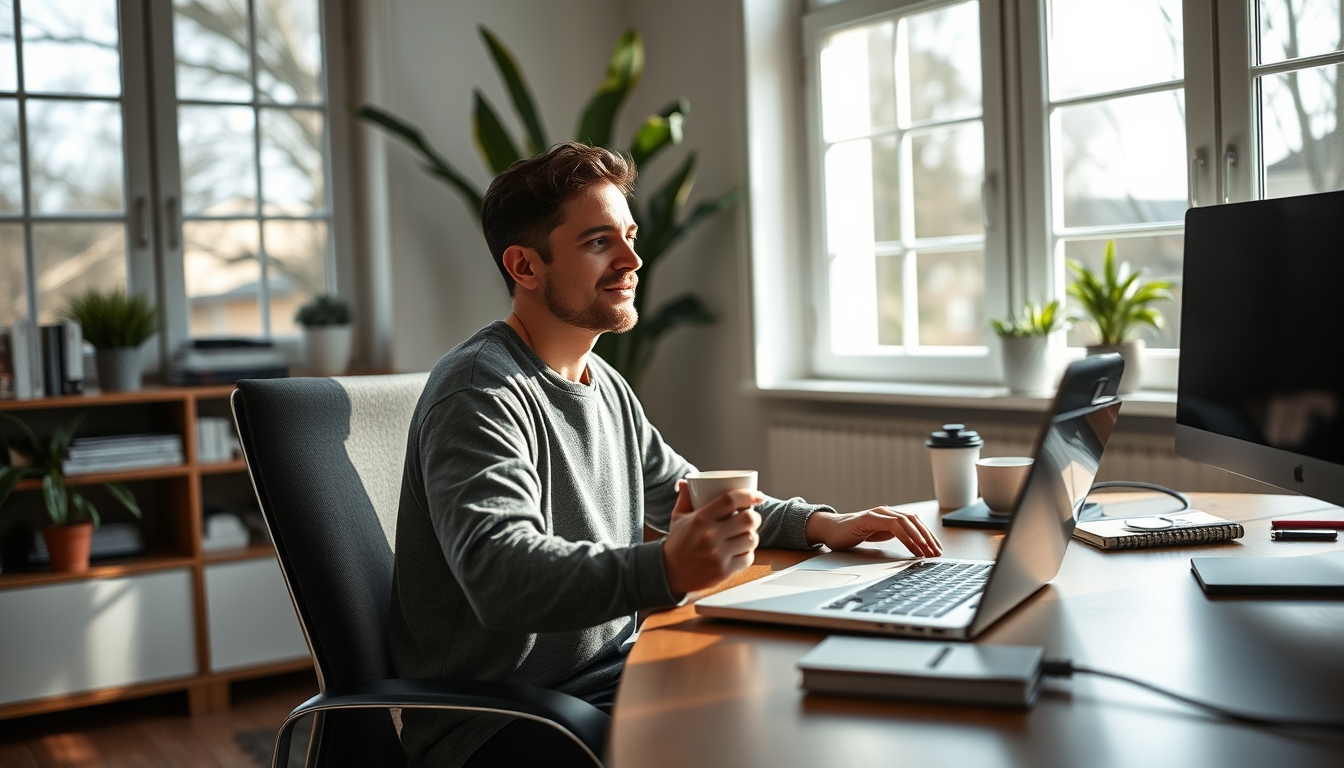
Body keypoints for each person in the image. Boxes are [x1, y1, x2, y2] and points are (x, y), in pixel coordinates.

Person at [389, 142, 942, 767]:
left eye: (628, 236)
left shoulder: (604, 385)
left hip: (611, 681)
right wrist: (667, 569)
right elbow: (501, 577)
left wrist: (822, 523)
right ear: (525, 266)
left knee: (811, 704)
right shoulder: (479, 392)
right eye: (599, 242)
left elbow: (687, 489)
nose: (633, 260)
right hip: (501, 722)